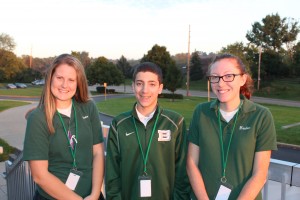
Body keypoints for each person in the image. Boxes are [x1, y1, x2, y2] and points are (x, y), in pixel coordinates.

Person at [186, 53, 277, 200]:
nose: (220, 84)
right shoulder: (201, 112)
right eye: (215, 77)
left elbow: (260, 174)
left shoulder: (261, 116)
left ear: (242, 79)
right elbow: (191, 163)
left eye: (228, 76)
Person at [23, 54, 105, 200]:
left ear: (78, 83)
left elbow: (98, 152)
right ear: (50, 78)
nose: (64, 85)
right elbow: (39, 175)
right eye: (59, 78)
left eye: (71, 80)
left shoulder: (88, 107)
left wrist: (95, 193)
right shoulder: (38, 118)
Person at [105, 62, 190, 199]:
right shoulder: (119, 124)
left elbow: (182, 174)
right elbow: (112, 175)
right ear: (133, 86)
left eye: (152, 84)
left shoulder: (175, 123)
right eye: (139, 83)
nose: (145, 90)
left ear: (160, 88)